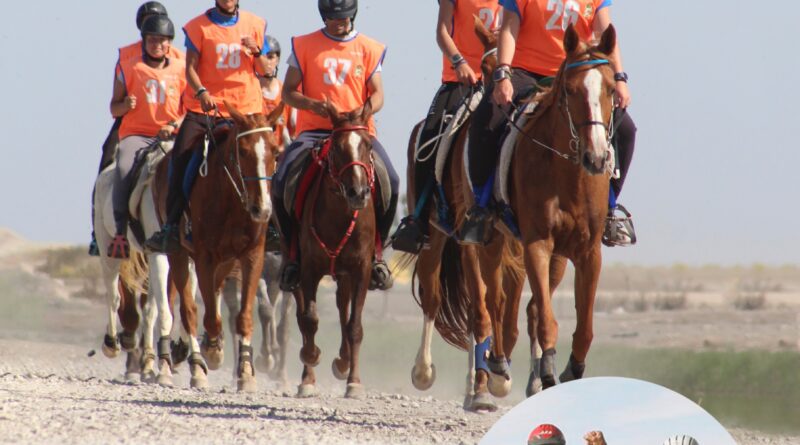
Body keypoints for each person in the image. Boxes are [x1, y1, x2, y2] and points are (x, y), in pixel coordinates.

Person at [457, 0, 638, 247]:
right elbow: (509, 27)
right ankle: (481, 206)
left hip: (578, 73)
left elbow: (605, 32)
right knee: (486, 120)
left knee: (626, 130)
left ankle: (609, 209)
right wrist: (503, 73)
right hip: (526, 72)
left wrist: (619, 78)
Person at [272, 0, 399, 292]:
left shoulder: (369, 47)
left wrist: (367, 109)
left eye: (342, 17)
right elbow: (288, 93)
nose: (337, 22)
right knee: (282, 178)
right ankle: (291, 254)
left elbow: (378, 93)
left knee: (390, 178)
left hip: (356, 131)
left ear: (352, 15)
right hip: (314, 132)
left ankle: (377, 253)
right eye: (331, 18)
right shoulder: (304, 45)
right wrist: (313, 105)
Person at [144, 0, 272, 253]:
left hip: (246, 112)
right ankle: (171, 227)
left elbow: (266, 69)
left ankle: (275, 227)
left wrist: (257, 52)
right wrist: (201, 91)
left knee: (267, 158)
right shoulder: (198, 27)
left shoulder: (255, 24)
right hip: (206, 110)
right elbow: (190, 68)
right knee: (179, 159)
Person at [390, 0, 501, 254]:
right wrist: (459, 62)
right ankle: (418, 221)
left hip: (503, 77)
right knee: (428, 139)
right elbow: (442, 32)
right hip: (460, 79)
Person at [89, 1, 178, 256]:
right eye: (148, 22)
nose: (157, 40)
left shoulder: (178, 59)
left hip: (169, 125)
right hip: (132, 122)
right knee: (112, 158)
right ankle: (104, 233)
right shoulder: (127, 55)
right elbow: (114, 102)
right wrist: (125, 106)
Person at [107, 15, 187, 258]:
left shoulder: (181, 69)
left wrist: (175, 124)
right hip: (138, 135)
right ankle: (120, 233)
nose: (158, 45)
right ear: (144, 41)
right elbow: (113, 108)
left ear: (170, 43)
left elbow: (190, 108)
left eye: (163, 41)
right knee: (122, 167)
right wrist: (126, 105)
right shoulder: (130, 67)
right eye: (153, 40)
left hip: (171, 136)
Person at [259, 35, 294, 148]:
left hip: (282, 155)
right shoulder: (250, 93)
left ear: (277, 60)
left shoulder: (286, 93)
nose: (266, 62)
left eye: (270, 57)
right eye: (262, 57)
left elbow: (294, 127)